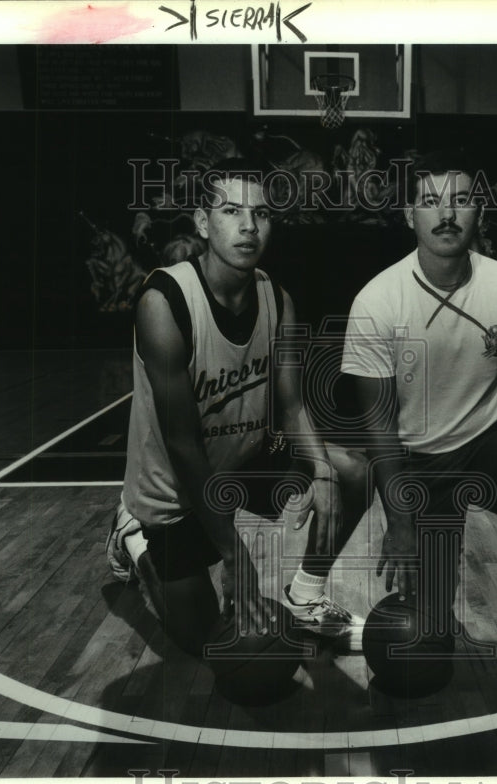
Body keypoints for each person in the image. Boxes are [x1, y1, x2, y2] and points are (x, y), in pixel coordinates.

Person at [340, 149, 497, 756]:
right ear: (409, 214)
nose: (446, 212)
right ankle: (432, 583)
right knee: (426, 631)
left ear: (479, 210)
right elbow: (378, 424)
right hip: (416, 459)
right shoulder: (378, 302)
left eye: (459, 198)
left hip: (490, 440)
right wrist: (399, 520)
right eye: (430, 200)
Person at [107, 157, 371, 657]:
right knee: (208, 641)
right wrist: (235, 556)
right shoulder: (164, 302)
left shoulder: (278, 300)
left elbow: (292, 405)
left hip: (244, 461)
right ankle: (133, 538)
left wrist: (320, 470)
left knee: (351, 472)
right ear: (204, 223)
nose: (249, 226)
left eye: (262, 214)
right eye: (232, 211)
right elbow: (183, 446)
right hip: (176, 489)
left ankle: (307, 597)